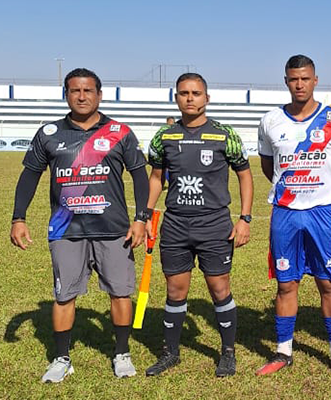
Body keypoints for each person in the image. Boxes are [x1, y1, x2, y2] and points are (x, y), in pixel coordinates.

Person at [10, 68, 149, 382]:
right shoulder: (49, 133)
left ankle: (122, 353)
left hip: (114, 230)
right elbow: (29, 176)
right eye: (75, 90)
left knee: (120, 294)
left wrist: (141, 219)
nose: (82, 96)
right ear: (66, 94)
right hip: (66, 231)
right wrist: (18, 218)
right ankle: (61, 358)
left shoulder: (119, 132)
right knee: (64, 296)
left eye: (88, 91)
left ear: (100, 95)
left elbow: (140, 175)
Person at [143, 73, 253, 377]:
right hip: (176, 224)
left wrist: (244, 218)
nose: (190, 98)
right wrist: (146, 215)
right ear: (176, 98)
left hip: (214, 225)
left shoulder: (225, 135)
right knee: (175, 290)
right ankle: (170, 353)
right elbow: (156, 178)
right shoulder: (164, 137)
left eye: (196, 93)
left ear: (207, 98)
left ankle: (227, 353)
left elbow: (245, 175)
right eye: (184, 93)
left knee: (219, 288)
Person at [255, 55, 331, 377]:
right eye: (294, 79)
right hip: (285, 213)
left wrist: (320, 190)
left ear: (315, 80)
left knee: (328, 282)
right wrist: (294, 188)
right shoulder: (270, 120)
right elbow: (269, 166)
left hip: (322, 213)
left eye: (305, 78)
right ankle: (283, 351)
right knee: (286, 284)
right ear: (286, 81)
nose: (299, 84)